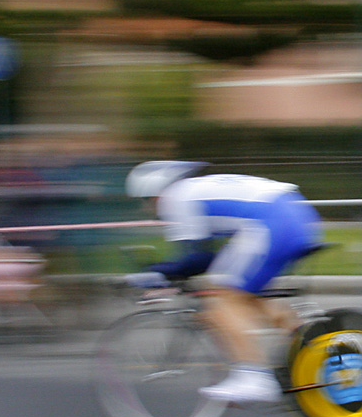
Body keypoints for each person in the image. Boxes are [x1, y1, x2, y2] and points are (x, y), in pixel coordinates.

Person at [125, 160, 323, 404]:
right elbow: (208, 259)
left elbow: (198, 258)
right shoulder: (193, 189)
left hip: (272, 222)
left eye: (145, 200)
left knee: (221, 302)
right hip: (294, 214)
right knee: (242, 294)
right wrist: (169, 273)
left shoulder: (175, 198)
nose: (148, 208)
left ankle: (254, 377)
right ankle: (312, 344)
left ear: (155, 192)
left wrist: (156, 273)